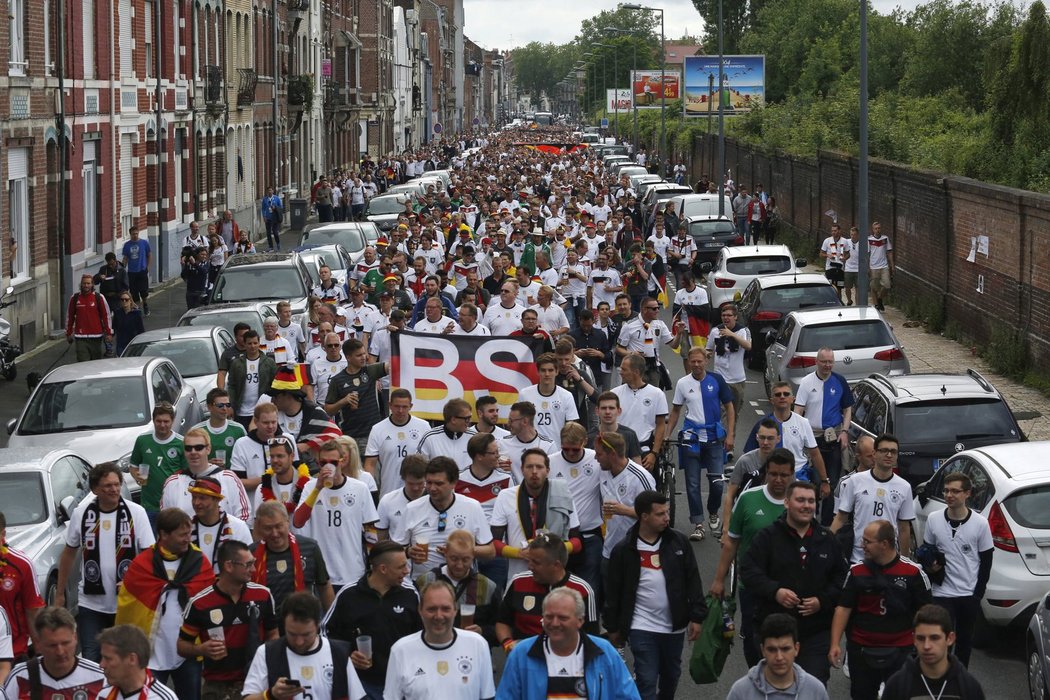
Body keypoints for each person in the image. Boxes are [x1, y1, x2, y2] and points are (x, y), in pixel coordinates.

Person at [741, 480, 848, 684]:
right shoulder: (767, 537)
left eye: (811, 501)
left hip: (815, 633)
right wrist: (775, 591)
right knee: (775, 689)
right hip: (774, 632)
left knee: (812, 686)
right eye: (800, 500)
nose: (807, 505)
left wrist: (822, 600)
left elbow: (843, 579)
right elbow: (748, 572)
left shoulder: (827, 539)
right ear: (787, 503)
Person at [604, 491, 706, 700]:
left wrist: (697, 616)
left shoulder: (679, 542)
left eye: (667, 512)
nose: (667, 518)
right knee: (647, 678)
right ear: (644, 516)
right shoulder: (624, 550)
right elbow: (613, 591)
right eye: (660, 514)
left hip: (674, 626)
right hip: (641, 626)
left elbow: (692, 580)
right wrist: (612, 626)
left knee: (671, 677)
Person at [56, 463, 155, 662]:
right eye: (107, 486)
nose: (114, 489)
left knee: (126, 661)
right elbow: (69, 552)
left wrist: (134, 579)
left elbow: (149, 555)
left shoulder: (136, 512)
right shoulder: (81, 513)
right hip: (91, 604)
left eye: (117, 484)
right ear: (95, 489)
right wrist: (59, 594)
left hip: (126, 603)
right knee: (92, 661)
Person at [115, 508, 214, 700]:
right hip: (151, 653)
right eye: (182, 535)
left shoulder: (199, 562)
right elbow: (127, 607)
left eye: (189, 534)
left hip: (189, 649)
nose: (187, 539)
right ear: (163, 535)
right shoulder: (142, 565)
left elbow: (210, 602)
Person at [828, 519, 932, 700]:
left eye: (867, 542)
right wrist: (835, 643)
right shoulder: (856, 572)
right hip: (862, 648)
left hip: (901, 649)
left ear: (884, 544)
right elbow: (843, 608)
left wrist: (924, 646)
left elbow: (927, 614)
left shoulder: (914, 573)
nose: (862, 545)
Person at [709, 449, 793, 666]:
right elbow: (731, 543)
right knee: (754, 640)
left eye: (784, 475)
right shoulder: (748, 499)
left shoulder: (800, 502)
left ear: (792, 475)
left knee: (785, 641)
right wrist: (719, 580)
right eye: (774, 474)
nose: (778, 480)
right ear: (765, 473)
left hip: (789, 588)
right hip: (752, 587)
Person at [496, 586, 639, 700]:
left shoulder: (604, 652)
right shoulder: (521, 653)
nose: (555, 623)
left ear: (580, 621)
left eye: (563, 618)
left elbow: (628, 696)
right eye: (549, 617)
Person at [178, 540, 279, 700]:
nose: (253, 569)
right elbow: (182, 646)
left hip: (255, 682)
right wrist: (201, 649)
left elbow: (273, 635)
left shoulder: (263, 595)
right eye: (247, 565)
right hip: (216, 687)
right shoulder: (200, 603)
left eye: (253, 563)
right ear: (229, 566)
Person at [321, 540, 421, 699]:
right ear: (383, 569)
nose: (407, 571)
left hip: (402, 681)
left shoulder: (410, 594)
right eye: (401, 566)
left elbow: (422, 635)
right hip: (362, 684)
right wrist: (347, 655)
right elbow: (325, 632)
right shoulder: (349, 594)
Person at [918, 472, 992, 667]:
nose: (949, 495)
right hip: (942, 592)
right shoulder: (934, 519)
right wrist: (930, 565)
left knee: (964, 642)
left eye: (955, 491)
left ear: (967, 493)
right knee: (942, 641)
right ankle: (942, 680)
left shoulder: (980, 524)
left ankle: (960, 681)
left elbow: (986, 562)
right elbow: (927, 550)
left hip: (968, 593)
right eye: (946, 490)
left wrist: (978, 594)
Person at [242, 591, 367, 700]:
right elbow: (248, 697)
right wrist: (271, 695)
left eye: (306, 635)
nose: (299, 642)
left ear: (318, 625)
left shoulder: (339, 653)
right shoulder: (266, 652)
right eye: (292, 634)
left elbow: (357, 696)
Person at [666, 346, 735, 541]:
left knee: (717, 484)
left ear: (706, 361)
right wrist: (666, 434)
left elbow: (730, 408)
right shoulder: (682, 383)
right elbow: (675, 411)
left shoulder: (717, 380)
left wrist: (730, 435)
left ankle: (713, 511)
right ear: (688, 362)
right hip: (691, 438)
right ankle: (698, 524)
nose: (696, 365)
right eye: (692, 361)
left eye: (699, 361)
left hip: (714, 438)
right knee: (693, 484)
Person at [381, 581, 494, 700]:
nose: (439, 616)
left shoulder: (478, 644)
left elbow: (487, 696)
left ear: (455, 610)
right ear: (420, 610)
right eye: (431, 609)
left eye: (445, 609)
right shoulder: (400, 650)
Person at [292, 441, 378, 590]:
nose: (327, 466)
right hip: (321, 574)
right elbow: (298, 522)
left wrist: (372, 564)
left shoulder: (360, 488)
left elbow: (370, 529)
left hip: (352, 571)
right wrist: (317, 488)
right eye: (323, 462)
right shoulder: (310, 487)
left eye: (333, 462)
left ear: (342, 461)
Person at [394, 457, 495, 576]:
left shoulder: (472, 507)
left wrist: (461, 551)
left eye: (439, 483)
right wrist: (408, 552)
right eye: (429, 482)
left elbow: (490, 551)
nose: (432, 488)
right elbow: (395, 549)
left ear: (454, 483)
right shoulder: (412, 508)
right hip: (422, 583)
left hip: (461, 584)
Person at [491, 448, 582, 581]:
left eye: (539, 467)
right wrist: (519, 553)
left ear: (548, 470)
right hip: (518, 578)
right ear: (522, 469)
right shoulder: (505, 496)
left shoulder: (563, 495)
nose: (534, 472)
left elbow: (577, 543)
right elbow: (494, 542)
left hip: (553, 577)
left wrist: (551, 551)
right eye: (529, 467)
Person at [496, 533, 598, 648]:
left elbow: (591, 637)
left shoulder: (582, 590)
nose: (529, 566)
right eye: (529, 560)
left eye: (536, 562)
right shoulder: (518, 582)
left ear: (556, 565)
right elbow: (502, 622)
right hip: (525, 656)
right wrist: (507, 644)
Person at [831, 433, 914, 564]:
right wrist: (827, 546)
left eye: (893, 451)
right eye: (884, 450)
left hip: (889, 559)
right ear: (874, 454)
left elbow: (904, 528)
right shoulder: (855, 481)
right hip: (859, 558)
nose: (889, 455)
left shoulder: (905, 487)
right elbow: (841, 518)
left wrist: (905, 561)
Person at [793, 347, 854, 525]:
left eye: (830, 362)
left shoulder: (840, 381)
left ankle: (826, 524)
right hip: (812, 438)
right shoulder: (806, 382)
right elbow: (798, 410)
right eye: (824, 361)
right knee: (814, 481)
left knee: (832, 481)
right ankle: (811, 517)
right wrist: (797, 434)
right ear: (816, 362)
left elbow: (847, 409)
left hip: (833, 437)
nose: (828, 365)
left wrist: (844, 432)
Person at [743, 382, 830, 501]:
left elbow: (815, 454)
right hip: (770, 478)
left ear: (792, 399)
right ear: (772, 400)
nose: (782, 397)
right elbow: (750, 455)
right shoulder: (763, 424)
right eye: (778, 394)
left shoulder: (803, 422)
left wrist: (824, 481)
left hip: (798, 476)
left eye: (786, 394)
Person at [414, 530, 500, 646]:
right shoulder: (425, 582)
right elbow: (413, 622)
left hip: (471, 651)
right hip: (433, 648)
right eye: (454, 559)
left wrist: (482, 631)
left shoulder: (488, 586)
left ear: (473, 557)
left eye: (465, 560)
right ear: (445, 553)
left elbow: (501, 627)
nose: (459, 565)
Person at [882, 604, 986, 699]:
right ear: (913, 639)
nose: (926, 646)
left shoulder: (969, 687)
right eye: (921, 638)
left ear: (950, 638)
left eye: (934, 638)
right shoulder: (897, 686)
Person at [250, 501, 335, 617]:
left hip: (303, 623)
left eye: (278, 526)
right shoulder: (251, 555)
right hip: (267, 627)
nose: (275, 533)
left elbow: (324, 586)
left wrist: (331, 620)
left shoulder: (310, 547)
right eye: (268, 528)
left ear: (287, 522)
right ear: (259, 527)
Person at [1, 606, 106, 699]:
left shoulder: (100, 678)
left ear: (75, 638)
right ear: (39, 643)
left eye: (65, 643)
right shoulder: (20, 677)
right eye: (52, 645)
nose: (60, 652)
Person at [726, 614, 830, 700]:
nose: (779, 657)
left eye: (785, 649)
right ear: (763, 650)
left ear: (796, 648)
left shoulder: (816, 691)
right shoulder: (741, 692)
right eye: (772, 649)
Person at [160, 426, 251, 522]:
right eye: (188, 448)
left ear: (208, 449)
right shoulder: (173, 482)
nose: (193, 452)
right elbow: (166, 521)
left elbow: (244, 516)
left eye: (198, 448)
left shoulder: (229, 478)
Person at [363, 388, 432, 497]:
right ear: (390, 405)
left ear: (411, 406)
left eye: (404, 407)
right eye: (397, 406)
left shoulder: (424, 426)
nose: (400, 410)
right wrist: (369, 488)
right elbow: (370, 463)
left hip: (418, 491)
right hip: (389, 491)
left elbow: (432, 459)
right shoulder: (378, 429)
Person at [325, 339, 388, 456]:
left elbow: (392, 366)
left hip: (373, 433)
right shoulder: (337, 380)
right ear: (348, 357)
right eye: (359, 355)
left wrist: (397, 335)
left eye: (364, 353)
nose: (364, 357)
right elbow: (328, 410)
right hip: (350, 437)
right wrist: (343, 401)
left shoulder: (370, 371)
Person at [130, 403, 187, 524]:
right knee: (151, 542)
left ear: (173, 421)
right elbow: (133, 466)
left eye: (166, 421)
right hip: (148, 506)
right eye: (158, 421)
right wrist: (137, 476)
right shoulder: (143, 440)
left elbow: (187, 475)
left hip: (173, 507)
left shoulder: (181, 443)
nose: (162, 425)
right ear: (153, 420)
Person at [610, 353, 669, 464]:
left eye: (624, 369)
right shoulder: (614, 393)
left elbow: (661, 425)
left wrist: (654, 453)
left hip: (644, 451)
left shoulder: (657, 394)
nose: (620, 372)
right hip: (618, 450)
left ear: (636, 372)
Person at [97, 625, 179, 700]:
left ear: (132, 659)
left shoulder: (163, 698)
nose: (101, 665)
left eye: (108, 659)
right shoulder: (103, 694)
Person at [517, 353, 579, 449]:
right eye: (543, 370)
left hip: (556, 450)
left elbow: (571, 428)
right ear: (538, 371)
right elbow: (517, 423)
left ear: (557, 371)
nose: (547, 374)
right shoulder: (524, 394)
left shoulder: (566, 396)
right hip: (530, 450)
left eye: (550, 370)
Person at [707, 303, 751, 423]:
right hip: (720, 378)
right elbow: (708, 349)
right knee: (721, 412)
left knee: (733, 415)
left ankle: (730, 438)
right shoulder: (715, 331)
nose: (726, 318)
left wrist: (732, 335)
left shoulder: (743, 331)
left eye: (729, 315)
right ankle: (721, 439)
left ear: (735, 317)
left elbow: (748, 346)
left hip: (737, 380)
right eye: (723, 315)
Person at [227, 330, 278, 429]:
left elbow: (274, 385)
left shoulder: (269, 362)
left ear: (259, 343)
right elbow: (231, 386)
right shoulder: (236, 363)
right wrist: (231, 405)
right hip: (241, 411)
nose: (253, 346)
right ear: (244, 344)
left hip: (262, 410)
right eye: (249, 343)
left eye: (255, 343)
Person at [499, 401, 554, 483]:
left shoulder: (548, 446)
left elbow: (552, 478)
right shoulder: (502, 443)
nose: (508, 424)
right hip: (512, 494)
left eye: (511, 420)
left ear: (525, 421)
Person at [194, 387, 248, 472]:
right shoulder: (197, 431)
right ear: (209, 407)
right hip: (206, 480)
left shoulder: (239, 430)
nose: (225, 408)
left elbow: (246, 458)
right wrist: (207, 464)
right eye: (220, 405)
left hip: (232, 479)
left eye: (228, 405)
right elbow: (189, 462)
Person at [416, 398, 479, 468]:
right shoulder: (430, 437)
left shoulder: (475, 437)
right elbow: (419, 467)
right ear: (453, 420)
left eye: (470, 417)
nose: (469, 421)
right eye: (467, 418)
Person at [65, 273, 113, 361]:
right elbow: (70, 317)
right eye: (84, 283)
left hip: (96, 337)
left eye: (88, 283)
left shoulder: (99, 298)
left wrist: (109, 332)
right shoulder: (75, 298)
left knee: (95, 364)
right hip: (80, 337)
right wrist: (68, 333)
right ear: (81, 284)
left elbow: (106, 316)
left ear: (92, 285)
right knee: (83, 363)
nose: (86, 285)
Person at [121, 224, 152, 316]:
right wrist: (123, 268)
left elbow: (149, 255)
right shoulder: (127, 245)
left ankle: (145, 304)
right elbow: (125, 258)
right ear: (130, 234)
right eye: (133, 234)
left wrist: (148, 267)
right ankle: (137, 308)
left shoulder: (144, 243)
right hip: (131, 272)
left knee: (143, 291)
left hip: (142, 270)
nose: (135, 235)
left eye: (136, 233)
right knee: (134, 292)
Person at [820, 224, 851, 302]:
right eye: (832, 231)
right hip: (830, 268)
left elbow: (848, 253)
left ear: (839, 231)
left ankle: (838, 303)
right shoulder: (827, 240)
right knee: (829, 288)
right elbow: (821, 254)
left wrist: (845, 258)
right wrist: (827, 255)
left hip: (840, 268)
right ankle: (828, 303)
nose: (833, 232)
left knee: (839, 288)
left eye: (835, 230)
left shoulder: (844, 241)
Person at [868, 221, 893, 311]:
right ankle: (876, 306)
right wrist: (868, 267)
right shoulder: (869, 239)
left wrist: (892, 265)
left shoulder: (885, 238)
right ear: (873, 229)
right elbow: (867, 253)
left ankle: (880, 299)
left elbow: (889, 252)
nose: (878, 230)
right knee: (874, 287)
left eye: (879, 228)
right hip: (873, 267)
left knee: (887, 285)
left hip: (884, 266)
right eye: (876, 228)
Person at [261, 187, 284, 251]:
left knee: (275, 232)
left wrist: (275, 207)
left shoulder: (276, 198)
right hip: (268, 218)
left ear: (273, 191)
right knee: (268, 233)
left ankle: (278, 243)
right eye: (268, 191)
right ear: (267, 192)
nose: (269, 192)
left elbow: (281, 207)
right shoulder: (265, 199)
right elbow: (263, 209)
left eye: (271, 190)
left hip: (275, 218)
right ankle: (270, 246)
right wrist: (264, 216)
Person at [843, 225, 861, 306]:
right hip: (848, 268)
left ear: (858, 235)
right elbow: (843, 253)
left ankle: (857, 305)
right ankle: (849, 300)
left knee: (858, 289)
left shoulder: (862, 243)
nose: (853, 236)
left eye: (854, 234)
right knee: (847, 287)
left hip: (858, 269)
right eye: (851, 235)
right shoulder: (846, 242)